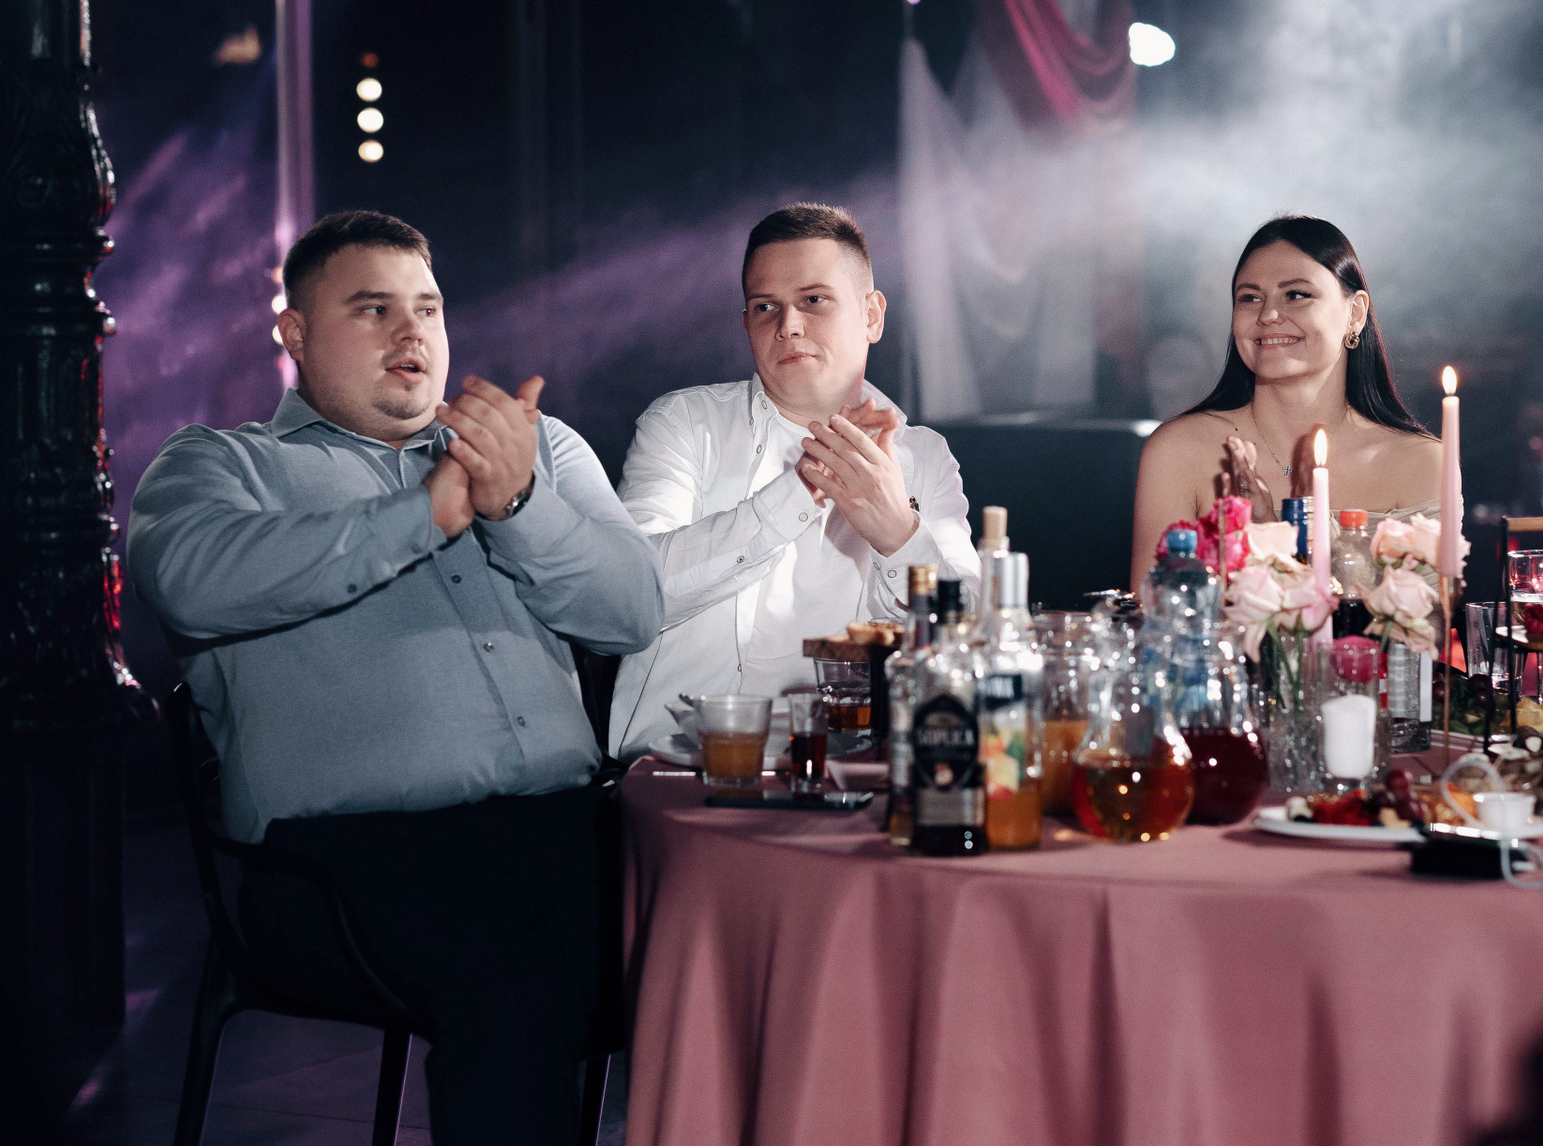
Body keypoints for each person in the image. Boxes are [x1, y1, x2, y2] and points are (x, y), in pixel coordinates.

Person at [128, 211, 663, 1144]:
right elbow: (188, 578)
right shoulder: (222, 464)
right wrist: (427, 514)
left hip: (566, 828)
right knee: (512, 990)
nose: (412, 331)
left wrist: (518, 503)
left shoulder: (531, 448)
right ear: (294, 333)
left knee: (752, 945)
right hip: (339, 861)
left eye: (428, 307)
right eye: (373, 309)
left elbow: (632, 612)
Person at [610, 203, 978, 756]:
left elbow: (972, 640)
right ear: (746, 324)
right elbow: (628, 596)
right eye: (766, 307)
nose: (788, 325)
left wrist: (899, 535)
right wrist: (798, 492)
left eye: (814, 300)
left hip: (856, 771)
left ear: (872, 316)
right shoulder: (685, 423)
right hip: (681, 763)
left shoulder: (922, 456)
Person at [1130, 215, 1442, 591]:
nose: (1268, 315)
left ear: (1355, 313)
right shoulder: (1181, 449)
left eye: (1296, 295)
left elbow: (1429, 622)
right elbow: (1154, 614)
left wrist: (1282, 543)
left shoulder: (1419, 461)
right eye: (1250, 298)